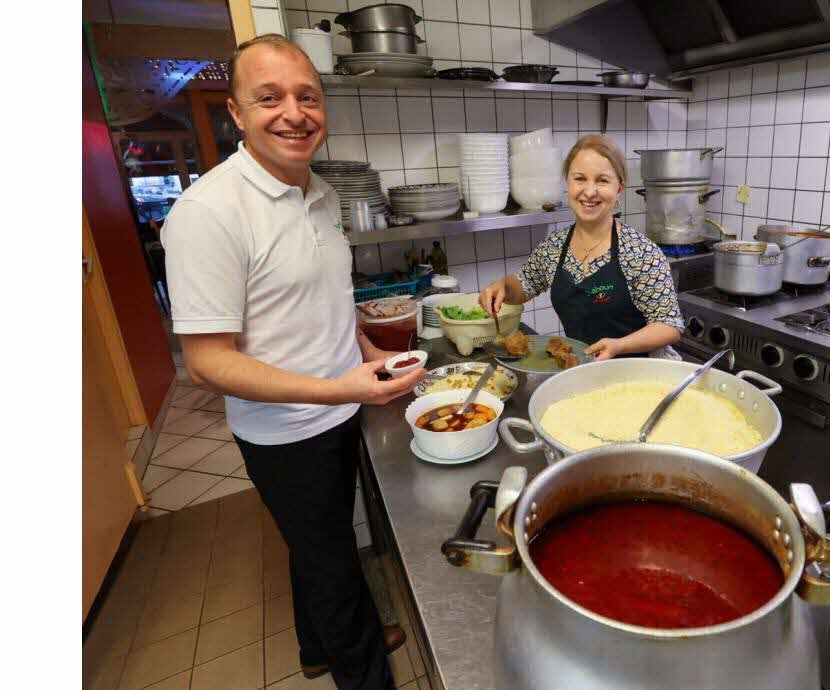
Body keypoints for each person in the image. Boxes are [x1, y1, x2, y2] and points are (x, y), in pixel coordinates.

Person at [160, 34, 422, 690]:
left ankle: (317, 647)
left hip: (340, 410)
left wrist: (367, 357)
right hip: (285, 437)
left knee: (319, 549)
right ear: (236, 112)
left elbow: (332, 299)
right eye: (269, 97)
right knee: (336, 570)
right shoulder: (208, 213)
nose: (294, 113)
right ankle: (360, 668)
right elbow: (208, 362)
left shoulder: (323, 195)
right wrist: (339, 389)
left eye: (308, 96)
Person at [479, 134, 684, 359]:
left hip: (641, 374)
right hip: (584, 370)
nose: (589, 191)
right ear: (568, 183)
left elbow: (669, 325)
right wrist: (504, 286)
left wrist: (619, 346)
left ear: (619, 188)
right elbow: (525, 285)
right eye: (580, 179)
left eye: (602, 180)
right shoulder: (554, 246)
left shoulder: (640, 252)